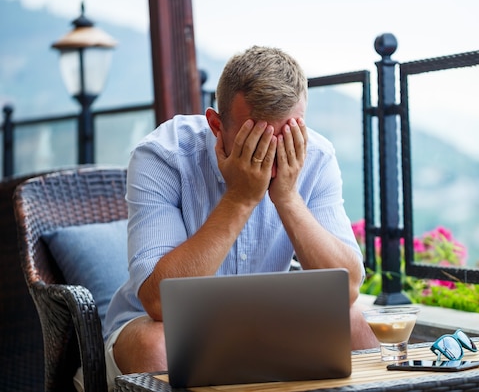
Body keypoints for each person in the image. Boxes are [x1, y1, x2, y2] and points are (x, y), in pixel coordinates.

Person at [102, 45, 378, 388]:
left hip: (263, 320)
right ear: (217, 126)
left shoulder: (316, 156)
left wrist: (288, 198)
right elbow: (159, 303)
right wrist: (240, 198)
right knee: (155, 344)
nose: (273, 154)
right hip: (155, 326)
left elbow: (347, 289)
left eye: (287, 136)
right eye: (255, 140)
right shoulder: (163, 156)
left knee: (350, 321)